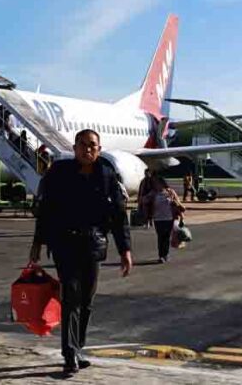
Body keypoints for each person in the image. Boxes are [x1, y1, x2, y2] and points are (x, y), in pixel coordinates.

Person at [29, 129, 132, 375]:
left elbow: (119, 215)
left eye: (93, 146)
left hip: (93, 245)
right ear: (75, 148)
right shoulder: (59, 173)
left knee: (86, 301)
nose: (88, 150)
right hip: (65, 244)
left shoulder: (107, 175)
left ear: (99, 149)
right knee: (71, 298)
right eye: (83, 145)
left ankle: (78, 346)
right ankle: (70, 352)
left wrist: (125, 249)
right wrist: (37, 243)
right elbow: (46, 211)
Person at [144, 176, 185, 263]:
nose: (156, 185)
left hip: (169, 218)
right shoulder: (153, 193)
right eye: (155, 183)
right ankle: (161, 255)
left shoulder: (170, 192)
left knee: (166, 237)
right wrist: (146, 200)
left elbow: (178, 203)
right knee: (160, 237)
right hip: (158, 218)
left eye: (157, 183)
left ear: (162, 183)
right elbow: (144, 200)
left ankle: (164, 255)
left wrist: (176, 206)